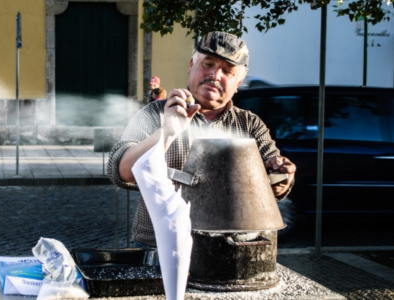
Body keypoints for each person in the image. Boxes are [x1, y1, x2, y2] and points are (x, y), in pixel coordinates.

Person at [107, 31, 296, 247]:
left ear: (239, 82)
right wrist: (168, 131)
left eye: (227, 71)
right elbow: (121, 172)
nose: (215, 75)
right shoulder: (154, 113)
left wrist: (282, 177)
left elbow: (275, 185)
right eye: (208, 64)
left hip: (229, 249)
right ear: (191, 65)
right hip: (159, 245)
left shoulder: (251, 125)